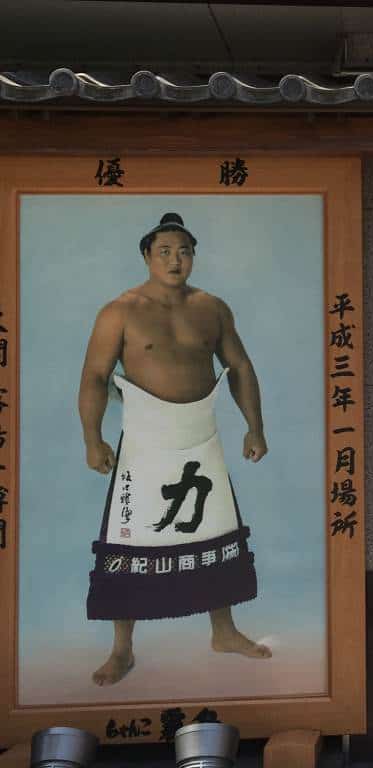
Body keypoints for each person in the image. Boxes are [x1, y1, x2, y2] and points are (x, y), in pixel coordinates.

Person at [78, 212, 270, 687]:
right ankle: (122, 649)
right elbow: (95, 378)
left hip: (201, 437)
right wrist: (92, 438)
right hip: (144, 441)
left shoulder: (213, 308)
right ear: (147, 256)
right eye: (164, 251)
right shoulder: (118, 311)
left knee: (215, 531)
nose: (175, 260)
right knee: (130, 541)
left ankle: (223, 632)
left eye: (183, 251)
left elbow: (240, 367)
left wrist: (254, 428)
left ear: (193, 257)